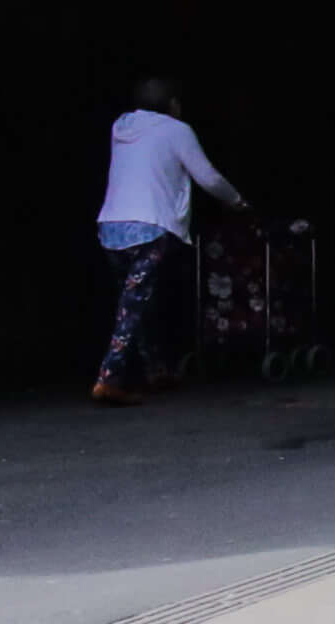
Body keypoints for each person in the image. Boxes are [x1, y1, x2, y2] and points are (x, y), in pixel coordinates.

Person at [91, 72, 242, 404]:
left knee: (138, 300)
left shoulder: (121, 126)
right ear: (172, 104)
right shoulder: (177, 130)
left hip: (111, 227)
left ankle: (156, 369)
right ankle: (108, 379)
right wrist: (236, 201)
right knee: (133, 307)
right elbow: (208, 177)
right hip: (150, 227)